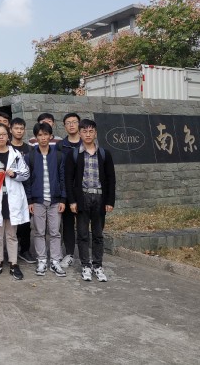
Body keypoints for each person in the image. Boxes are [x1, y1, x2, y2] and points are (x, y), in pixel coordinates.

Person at [65, 119, 116, 283]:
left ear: (95, 133)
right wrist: (72, 201)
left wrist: (110, 201)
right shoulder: (74, 154)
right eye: (84, 131)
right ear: (80, 133)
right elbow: (69, 180)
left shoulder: (104, 154)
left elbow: (111, 179)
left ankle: (98, 265)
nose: (88, 134)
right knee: (82, 234)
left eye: (91, 131)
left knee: (98, 234)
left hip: (99, 198)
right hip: (82, 198)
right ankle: (86, 265)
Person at [0, 123, 29, 280]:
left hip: (12, 198)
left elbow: (26, 174)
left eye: (3, 134)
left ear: (8, 136)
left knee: (11, 234)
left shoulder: (16, 154)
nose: (1, 137)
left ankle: (13, 263)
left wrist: (14, 174)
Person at [24, 122, 67, 278]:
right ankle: (41, 260)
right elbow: (27, 180)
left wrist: (63, 199)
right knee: (39, 232)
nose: (43, 138)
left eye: (45, 134)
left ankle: (55, 261)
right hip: (38, 201)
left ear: (51, 136)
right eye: (40, 135)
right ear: (36, 137)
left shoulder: (59, 155)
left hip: (55, 200)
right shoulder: (30, 156)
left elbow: (63, 179)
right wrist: (30, 201)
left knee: (55, 232)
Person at [57, 112, 82, 269]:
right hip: (66, 190)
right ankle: (69, 254)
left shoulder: (87, 143)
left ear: (79, 124)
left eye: (74, 122)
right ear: (64, 126)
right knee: (67, 224)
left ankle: (85, 255)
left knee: (83, 222)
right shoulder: (60, 146)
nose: (71, 125)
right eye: (68, 123)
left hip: (83, 190)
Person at [9, 117, 33, 264]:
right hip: (10, 190)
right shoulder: (6, 148)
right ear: (10, 130)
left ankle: (25, 250)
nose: (19, 131)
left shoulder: (29, 149)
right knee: (10, 223)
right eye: (16, 128)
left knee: (25, 222)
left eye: (21, 128)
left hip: (26, 189)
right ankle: (10, 251)